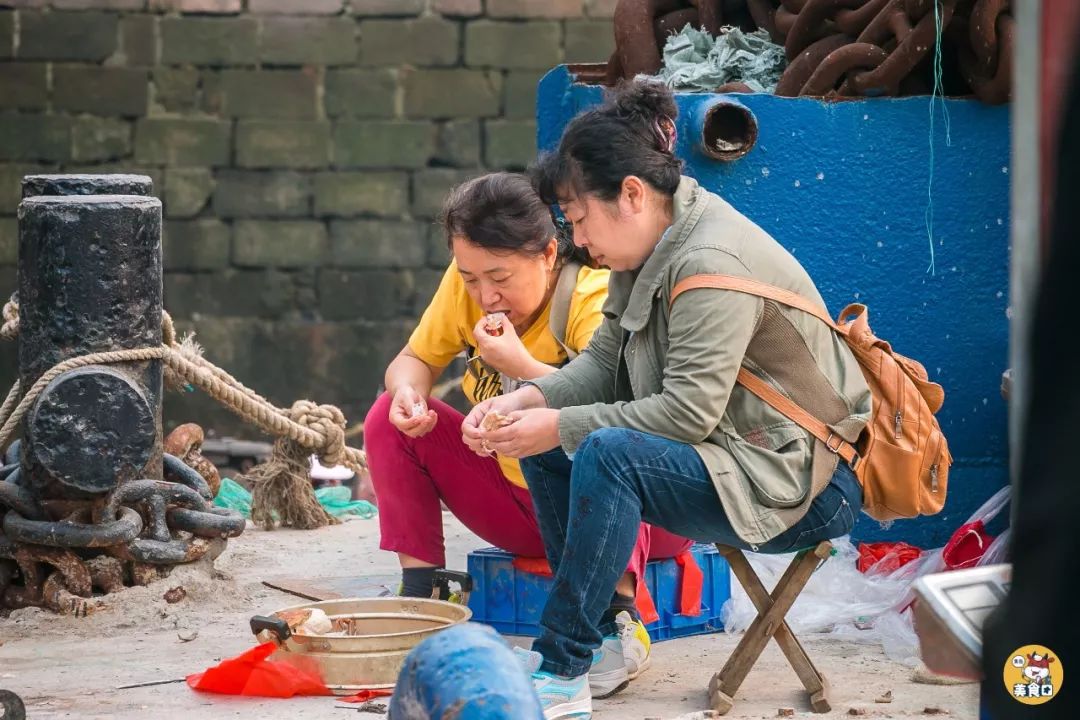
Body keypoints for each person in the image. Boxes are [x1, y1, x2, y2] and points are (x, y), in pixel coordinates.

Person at [462, 83, 873, 719]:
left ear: (630, 194)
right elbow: (603, 364)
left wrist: (557, 423)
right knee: (555, 446)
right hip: (734, 456)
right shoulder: (647, 242)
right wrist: (529, 399)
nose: (575, 237)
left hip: (804, 481)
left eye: (577, 218)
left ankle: (562, 669)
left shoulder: (708, 261)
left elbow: (686, 414)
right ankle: (595, 647)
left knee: (601, 451)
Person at [363, 172, 692, 694]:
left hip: (640, 514)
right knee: (386, 415)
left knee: (603, 446)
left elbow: (624, 406)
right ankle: (423, 593)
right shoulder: (468, 282)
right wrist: (408, 393)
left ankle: (617, 615)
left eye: (500, 277)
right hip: (520, 500)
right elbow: (415, 359)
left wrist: (520, 363)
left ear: (547, 253)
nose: (485, 295)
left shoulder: (594, 295)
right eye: (471, 278)